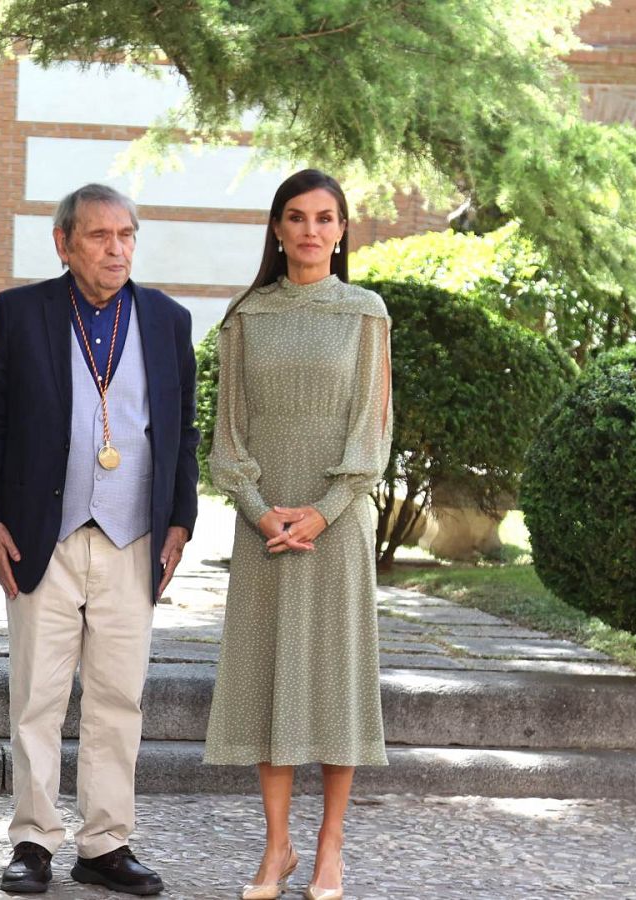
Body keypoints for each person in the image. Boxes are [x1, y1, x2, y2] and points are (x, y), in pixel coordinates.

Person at [0, 183, 200, 896]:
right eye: (99, 236)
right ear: (64, 244)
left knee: (117, 697)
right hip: (46, 534)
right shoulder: (22, 311)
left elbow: (183, 431)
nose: (116, 248)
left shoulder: (166, 319)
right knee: (37, 694)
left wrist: (181, 522)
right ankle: (34, 840)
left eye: (126, 234)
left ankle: (104, 844)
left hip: (134, 536)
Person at [202, 169, 393, 900]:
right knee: (267, 678)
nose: (311, 230)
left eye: (325, 218)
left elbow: (371, 433)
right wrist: (260, 510)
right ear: (276, 230)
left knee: (335, 682)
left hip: (335, 530)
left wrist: (323, 510)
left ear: (342, 230)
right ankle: (275, 846)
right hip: (265, 528)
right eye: (296, 217)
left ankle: (329, 846)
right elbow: (229, 434)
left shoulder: (366, 313)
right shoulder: (247, 315)